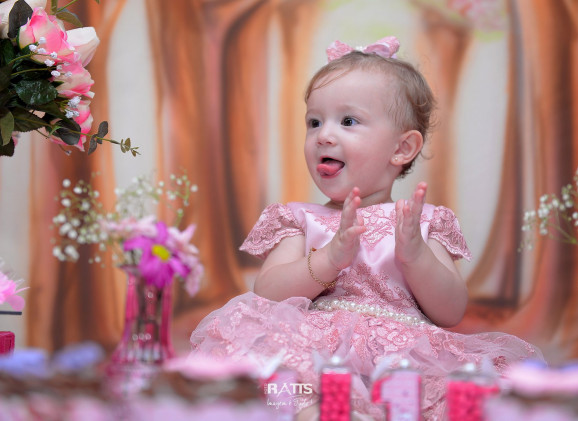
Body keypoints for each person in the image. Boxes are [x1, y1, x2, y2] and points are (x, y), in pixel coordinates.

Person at [190, 37, 544, 420]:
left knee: (459, 393)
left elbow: (451, 311)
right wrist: (327, 260)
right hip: (317, 348)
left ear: (402, 149)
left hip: (403, 356)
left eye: (348, 121)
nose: (324, 135)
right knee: (265, 357)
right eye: (314, 122)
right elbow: (268, 293)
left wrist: (415, 256)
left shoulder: (421, 222)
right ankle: (315, 412)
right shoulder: (299, 219)